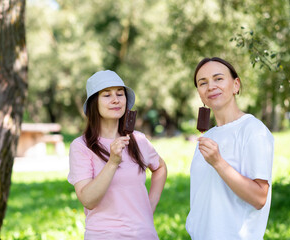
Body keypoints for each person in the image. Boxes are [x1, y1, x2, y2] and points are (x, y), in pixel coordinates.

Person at [68, 70, 167, 239]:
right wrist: (112, 162)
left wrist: (151, 204)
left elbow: (160, 168)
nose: (116, 100)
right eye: (107, 95)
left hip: (144, 234)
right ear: (94, 103)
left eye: (120, 94)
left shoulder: (139, 140)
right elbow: (88, 200)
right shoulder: (81, 147)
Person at [186, 57, 274, 239]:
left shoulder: (253, 130)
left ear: (236, 85)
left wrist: (218, 162)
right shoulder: (207, 136)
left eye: (218, 79)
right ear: (200, 93)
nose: (210, 86)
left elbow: (259, 199)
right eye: (203, 83)